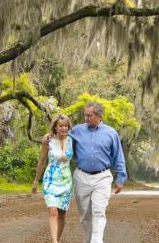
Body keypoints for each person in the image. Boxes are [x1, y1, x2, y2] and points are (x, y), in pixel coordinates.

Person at [44, 102, 126, 243]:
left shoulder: (111, 133)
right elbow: (61, 133)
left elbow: (118, 156)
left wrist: (121, 178)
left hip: (103, 177)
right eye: (85, 115)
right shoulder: (77, 130)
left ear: (98, 115)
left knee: (98, 212)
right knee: (85, 216)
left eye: (89, 115)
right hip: (81, 177)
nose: (86, 118)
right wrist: (48, 135)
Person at [33, 114, 74, 243]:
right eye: (61, 125)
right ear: (55, 127)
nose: (64, 128)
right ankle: (54, 242)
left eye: (66, 125)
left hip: (66, 181)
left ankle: (57, 239)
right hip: (50, 180)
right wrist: (35, 181)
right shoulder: (48, 140)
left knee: (62, 214)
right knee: (52, 211)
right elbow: (41, 161)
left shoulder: (72, 139)